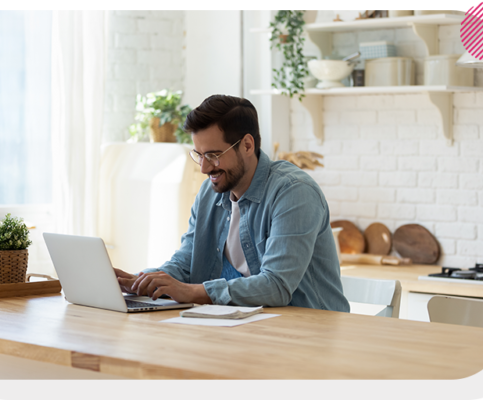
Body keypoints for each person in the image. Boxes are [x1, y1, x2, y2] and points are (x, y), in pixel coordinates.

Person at [114, 94, 349, 312]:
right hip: (250, 327)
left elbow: (277, 285)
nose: (204, 168)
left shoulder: (294, 192)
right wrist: (140, 280)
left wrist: (192, 292)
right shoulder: (210, 192)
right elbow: (187, 262)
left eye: (213, 156)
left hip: (311, 333)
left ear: (247, 145)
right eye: (199, 155)